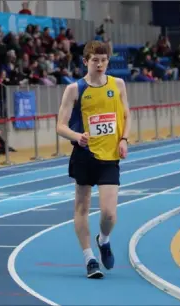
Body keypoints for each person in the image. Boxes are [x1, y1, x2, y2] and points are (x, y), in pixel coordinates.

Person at [56, 40, 131, 279]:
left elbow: (127, 114)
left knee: (109, 214)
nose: (100, 65)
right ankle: (89, 258)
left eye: (104, 60)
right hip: (85, 155)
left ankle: (104, 240)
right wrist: (77, 136)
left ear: (108, 61)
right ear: (85, 61)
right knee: (82, 208)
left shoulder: (118, 84)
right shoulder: (75, 89)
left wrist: (124, 139)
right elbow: (60, 126)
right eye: (95, 60)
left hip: (110, 157)